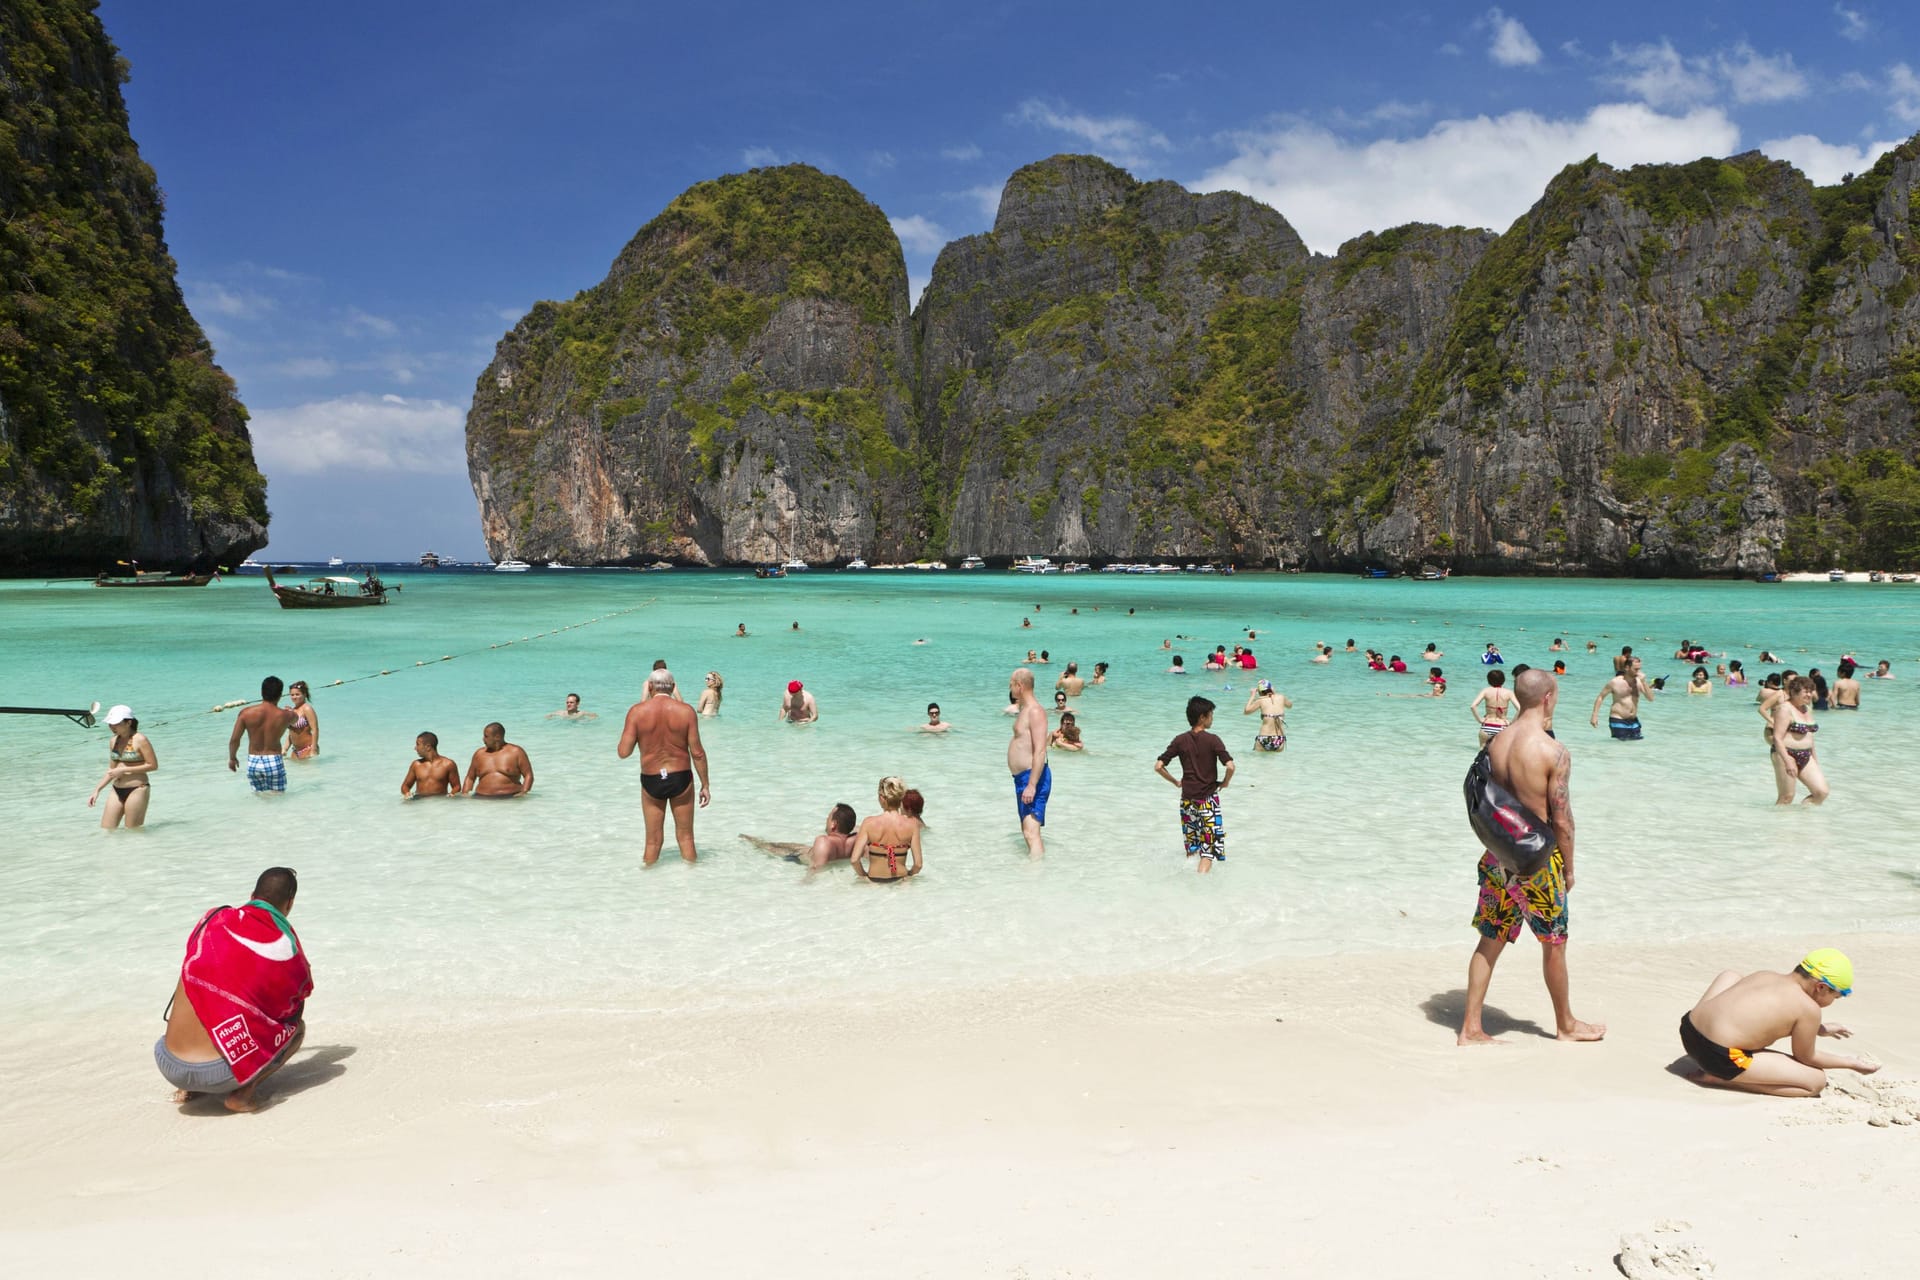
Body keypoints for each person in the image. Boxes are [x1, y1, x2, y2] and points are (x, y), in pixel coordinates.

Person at [1460, 669, 1604, 1046]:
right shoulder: (1552, 751)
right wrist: (1570, 867)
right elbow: (1562, 818)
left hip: (1497, 857)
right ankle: (1566, 1024)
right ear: (1548, 698)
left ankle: (1471, 1027)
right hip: (1537, 865)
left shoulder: (1495, 742)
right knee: (1554, 942)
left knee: (1489, 939)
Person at [156, 867, 311, 1113]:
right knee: (296, 1029)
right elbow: (296, 1002)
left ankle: (189, 1089)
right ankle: (241, 1095)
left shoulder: (212, 918)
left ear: (252, 895)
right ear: (290, 903)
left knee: (199, 977)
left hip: (168, 1063)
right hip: (219, 1075)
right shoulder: (285, 947)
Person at [1678, 950, 1876, 1097]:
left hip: (1689, 1030)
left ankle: (1715, 1059)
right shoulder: (1809, 1009)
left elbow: (1761, 1014)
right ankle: (1718, 1078)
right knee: (1815, 1082)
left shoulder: (1766, 975)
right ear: (1821, 987)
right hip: (1716, 1057)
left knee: (1731, 976)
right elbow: (1807, 1057)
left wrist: (1820, 1030)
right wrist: (1849, 1062)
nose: (1834, 1001)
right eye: (1837, 996)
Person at [618, 668, 712, 863]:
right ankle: (694, 884)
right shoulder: (685, 711)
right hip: (680, 778)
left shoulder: (637, 712)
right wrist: (705, 785)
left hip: (652, 778)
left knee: (652, 842)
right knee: (686, 838)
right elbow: (698, 752)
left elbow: (623, 752)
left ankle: (648, 883)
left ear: (650, 686)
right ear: (673, 687)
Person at [1155, 695, 1235, 874]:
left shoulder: (1180, 740)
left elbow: (1158, 766)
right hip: (1207, 801)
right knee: (1208, 852)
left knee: (1192, 849)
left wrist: (1175, 781)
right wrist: (1225, 782)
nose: (1212, 718)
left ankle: (1187, 885)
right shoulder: (1213, 740)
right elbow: (1230, 766)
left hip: (1187, 801)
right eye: (1211, 714)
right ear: (1202, 717)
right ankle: (1201, 891)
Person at [88, 704, 156, 828]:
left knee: (133, 831)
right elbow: (112, 770)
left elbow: (153, 765)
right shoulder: (113, 740)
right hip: (116, 789)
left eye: (116, 723)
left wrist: (125, 770)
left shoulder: (140, 739)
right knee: (106, 830)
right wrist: (97, 790)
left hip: (137, 789)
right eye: (110, 724)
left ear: (128, 722)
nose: (112, 727)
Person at [227, 676, 299, 793]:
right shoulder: (286, 715)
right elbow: (296, 719)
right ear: (280, 695)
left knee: (259, 798)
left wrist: (232, 758)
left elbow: (234, 740)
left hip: (253, 762)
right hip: (273, 760)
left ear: (261, 692)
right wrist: (290, 711)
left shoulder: (245, 713)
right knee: (278, 798)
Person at [1008, 667, 1050, 858]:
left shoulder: (1035, 711)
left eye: (1011, 684)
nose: (1010, 688)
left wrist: (1032, 784)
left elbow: (1040, 749)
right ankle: (1035, 874)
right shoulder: (1025, 710)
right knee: (1027, 832)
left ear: (1019, 685)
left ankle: (1036, 876)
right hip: (1022, 778)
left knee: (1031, 833)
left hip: (1032, 777)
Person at [744, 803, 858, 870]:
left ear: (833, 824)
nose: (826, 820)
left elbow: (815, 868)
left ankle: (749, 840)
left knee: (767, 846)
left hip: (798, 856)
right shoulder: (855, 839)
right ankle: (754, 840)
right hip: (807, 850)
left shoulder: (823, 841)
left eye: (828, 817)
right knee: (783, 844)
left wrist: (805, 882)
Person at [1770, 675, 1828, 806]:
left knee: (1821, 792)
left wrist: (1815, 759)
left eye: (1810, 691)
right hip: (1786, 754)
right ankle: (1777, 824)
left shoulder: (1807, 709)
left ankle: (1802, 819)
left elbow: (1810, 736)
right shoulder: (1784, 709)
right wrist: (1787, 761)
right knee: (1787, 797)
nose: (1809, 694)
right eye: (1805, 691)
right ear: (1794, 692)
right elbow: (1777, 738)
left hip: (1806, 755)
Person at [851, 776, 922, 882]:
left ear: (881, 797)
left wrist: (864, 876)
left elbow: (854, 860)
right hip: (901, 881)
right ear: (901, 798)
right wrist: (909, 874)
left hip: (874, 882)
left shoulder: (868, 823)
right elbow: (918, 864)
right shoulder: (912, 825)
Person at [1590, 654, 1651, 740]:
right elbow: (1601, 697)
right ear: (1627, 667)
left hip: (1634, 721)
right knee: (1620, 748)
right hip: (1618, 719)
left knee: (1636, 747)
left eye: (1639, 669)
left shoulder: (1639, 682)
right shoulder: (1615, 682)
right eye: (1636, 669)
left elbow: (1650, 698)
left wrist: (1644, 682)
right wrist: (1594, 716)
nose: (1639, 672)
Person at [464, 722, 533, 798]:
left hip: (509, 798)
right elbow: (470, 778)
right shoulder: (479, 754)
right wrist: (465, 794)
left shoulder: (516, 752)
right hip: (481, 798)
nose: (483, 739)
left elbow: (528, 775)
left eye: (486, 736)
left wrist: (524, 792)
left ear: (497, 737)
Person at [400, 732, 461, 798]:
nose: (415, 748)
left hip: (440, 802)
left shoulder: (448, 764)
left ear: (428, 747)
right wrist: (407, 793)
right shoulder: (416, 765)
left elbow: (456, 786)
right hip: (420, 802)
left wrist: (451, 795)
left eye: (418, 744)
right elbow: (405, 786)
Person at [1242, 679, 1291, 752]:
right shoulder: (1281, 697)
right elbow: (1290, 705)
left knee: (1257, 762)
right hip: (1279, 739)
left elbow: (1246, 711)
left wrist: (1252, 696)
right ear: (1271, 689)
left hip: (1264, 737)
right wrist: (1274, 693)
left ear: (1259, 691)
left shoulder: (1260, 700)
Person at [1470, 669, 1512, 745]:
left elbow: (1473, 706)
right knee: (1500, 754)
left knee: (1482, 753)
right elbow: (1519, 708)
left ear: (1489, 680)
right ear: (1503, 680)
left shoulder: (1486, 691)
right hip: (1502, 726)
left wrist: (1480, 720)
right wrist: (1511, 722)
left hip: (1487, 725)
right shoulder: (1509, 692)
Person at [286, 681, 320, 759]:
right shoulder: (293, 710)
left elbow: (315, 729)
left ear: (304, 694)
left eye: (297, 694)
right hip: (295, 751)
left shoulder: (307, 709)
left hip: (308, 748)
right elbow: (291, 733)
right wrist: (285, 749)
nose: (294, 697)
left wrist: (313, 749)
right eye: (292, 695)